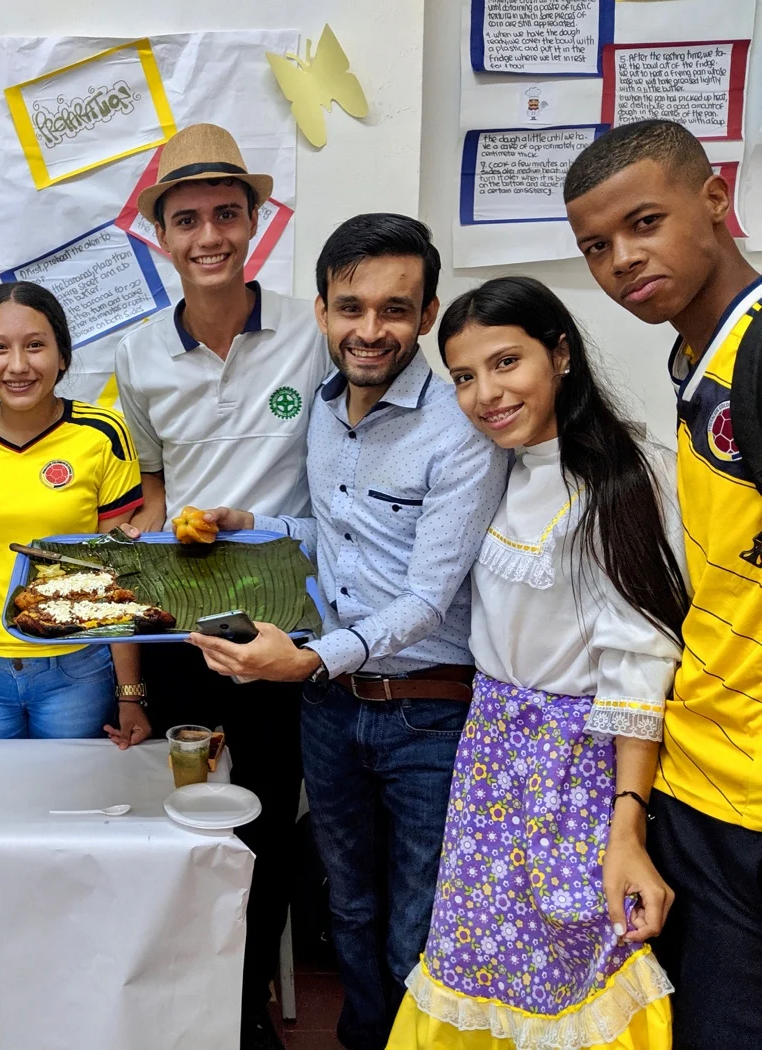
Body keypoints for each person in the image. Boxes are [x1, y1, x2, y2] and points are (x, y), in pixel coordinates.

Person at [188, 214, 511, 1050]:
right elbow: (337, 538)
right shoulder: (328, 409)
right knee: (348, 905)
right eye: (351, 307)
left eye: (395, 310)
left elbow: (427, 599)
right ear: (325, 314)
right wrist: (248, 523)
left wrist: (303, 660)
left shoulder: (461, 429)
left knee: (418, 917)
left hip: (426, 714)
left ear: (428, 313)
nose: (372, 330)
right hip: (333, 710)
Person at [388, 276, 686, 1049]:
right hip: (491, 752)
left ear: (559, 355)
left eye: (505, 362)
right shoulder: (497, 469)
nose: (486, 393)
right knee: (475, 956)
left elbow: (640, 664)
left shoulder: (623, 481)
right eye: (462, 376)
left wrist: (628, 825)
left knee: (573, 963)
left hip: (579, 764)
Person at [112, 123, 328, 1048]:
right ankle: (188, 1006)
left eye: (227, 215)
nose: (209, 236)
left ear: (253, 224)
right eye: (188, 218)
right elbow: (151, 489)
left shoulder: (309, 339)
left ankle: (244, 1013)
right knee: (188, 817)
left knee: (269, 821)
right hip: (183, 626)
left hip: (282, 624)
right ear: (162, 234)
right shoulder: (135, 355)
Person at [565, 118, 762, 1049]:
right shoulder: (695, 360)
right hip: (703, 773)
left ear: (716, 198)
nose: (621, 261)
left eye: (645, 223)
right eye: (597, 247)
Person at [0, 281, 149, 747]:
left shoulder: (102, 434)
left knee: (70, 808)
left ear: (62, 356)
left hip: (76, 666)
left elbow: (120, 574)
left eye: (35, 345)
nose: (17, 365)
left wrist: (130, 693)